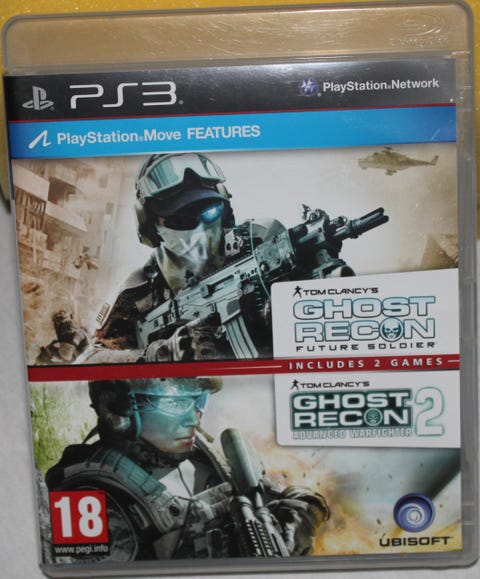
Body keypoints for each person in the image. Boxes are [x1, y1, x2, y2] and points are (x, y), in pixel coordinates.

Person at [46, 377, 329, 560]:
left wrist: (297, 519)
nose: (194, 419)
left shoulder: (205, 457)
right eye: (176, 402)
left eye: (198, 401)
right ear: (117, 409)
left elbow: (296, 498)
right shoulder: (81, 497)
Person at [78, 152, 284, 364]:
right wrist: (160, 355)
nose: (200, 228)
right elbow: (87, 364)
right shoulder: (138, 293)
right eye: (181, 220)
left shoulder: (259, 242)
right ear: (150, 225)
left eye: (209, 211)